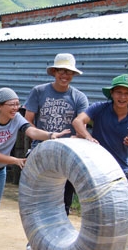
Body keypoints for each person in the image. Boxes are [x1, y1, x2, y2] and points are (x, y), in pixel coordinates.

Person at [0, 87, 70, 250]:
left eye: (17, 104)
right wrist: (16, 160)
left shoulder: (16, 119)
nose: (16, 108)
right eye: (11, 104)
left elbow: (32, 131)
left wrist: (51, 135)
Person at [72, 74, 128, 250]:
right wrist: (87, 137)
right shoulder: (100, 109)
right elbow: (78, 122)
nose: (122, 96)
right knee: (97, 211)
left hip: (122, 170)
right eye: (118, 92)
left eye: (127, 93)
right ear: (112, 94)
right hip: (97, 169)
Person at [24, 53, 88, 216]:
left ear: (73, 74)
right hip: (41, 149)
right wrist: (46, 136)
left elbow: (82, 126)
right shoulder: (38, 92)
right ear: (54, 72)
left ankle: (60, 235)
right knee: (36, 197)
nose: (64, 75)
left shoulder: (79, 98)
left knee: (63, 200)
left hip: (66, 153)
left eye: (68, 72)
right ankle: (34, 239)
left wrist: (78, 137)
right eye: (61, 70)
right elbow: (28, 122)